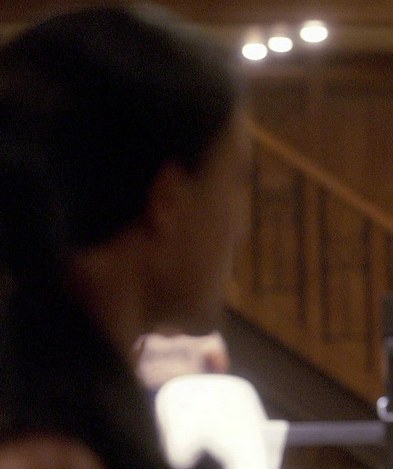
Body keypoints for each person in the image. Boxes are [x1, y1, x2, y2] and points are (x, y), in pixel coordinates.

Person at [0, 5, 250, 468]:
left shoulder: (64, 399)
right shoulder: (46, 456)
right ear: (167, 201)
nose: (241, 224)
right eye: (236, 180)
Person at [134, 325, 231, 396]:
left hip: (188, 393)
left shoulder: (206, 338)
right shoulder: (146, 337)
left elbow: (221, 369)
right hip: (146, 393)